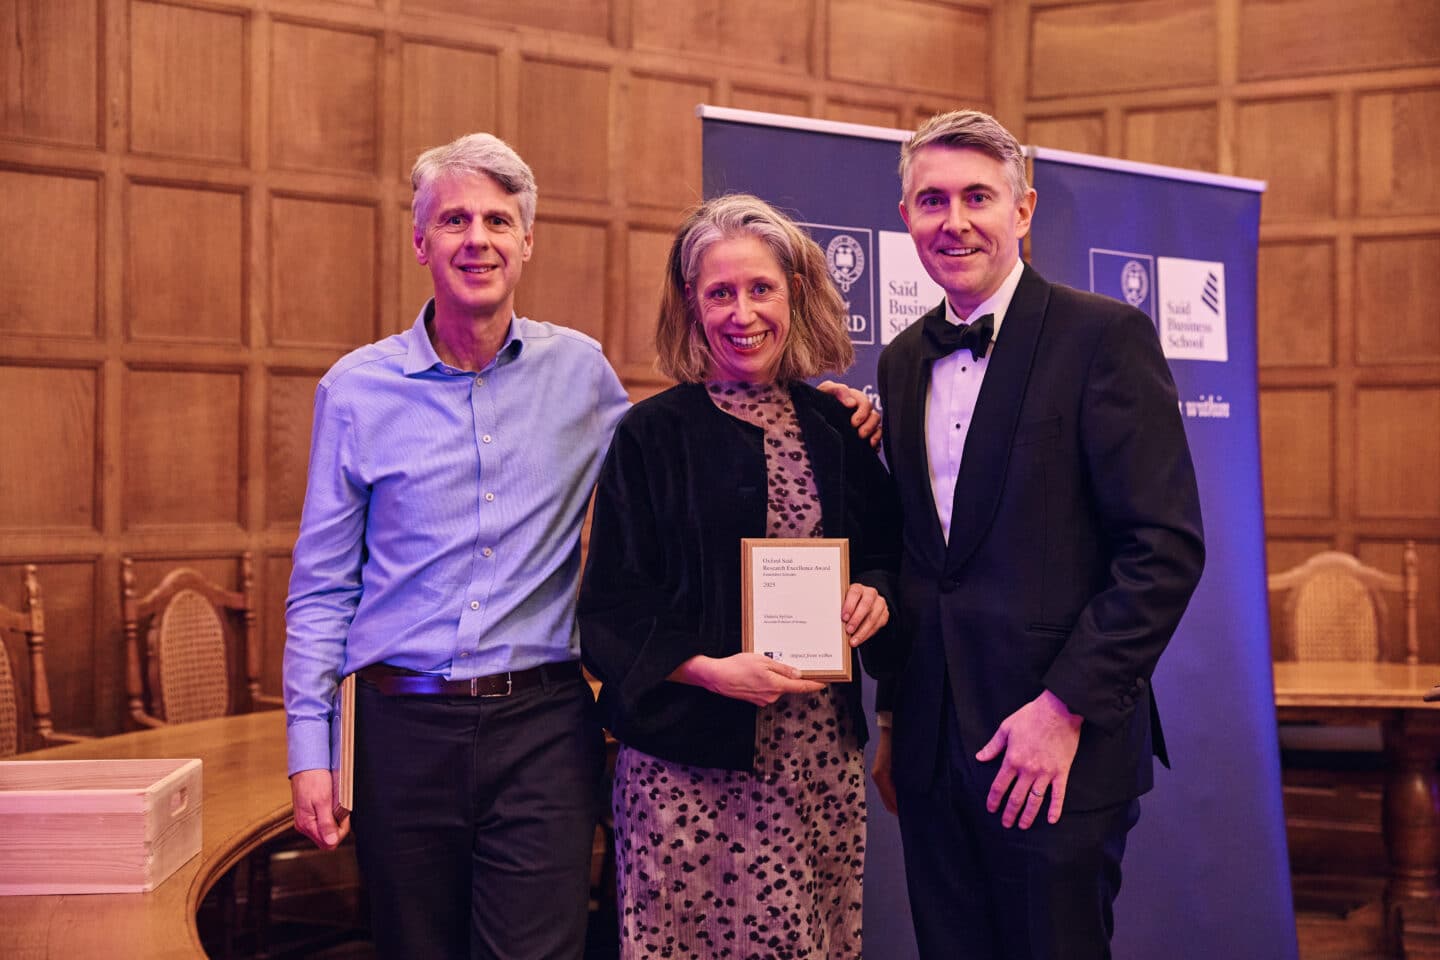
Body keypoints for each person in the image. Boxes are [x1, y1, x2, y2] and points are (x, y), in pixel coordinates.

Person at [283, 135, 880, 959]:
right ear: (420, 240)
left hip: (540, 727)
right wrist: (310, 754)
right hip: (400, 726)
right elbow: (321, 591)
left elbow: (698, 454)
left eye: (498, 220)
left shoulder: (582, 374)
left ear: (527, 240)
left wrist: (831, 409)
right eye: (454, 220)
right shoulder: (354, 391)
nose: (477, 239)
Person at [871, 110, 1206, 960]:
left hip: (1059, 747)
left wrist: (1064, 708)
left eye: (977, 197)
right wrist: (894, 720)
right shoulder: (902, 359)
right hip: (933, 751)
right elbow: (918, 557)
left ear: (1022, 209)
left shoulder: (1105, 338)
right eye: (932, 200)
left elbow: (1162, 548)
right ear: (905, 216)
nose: (954, 221)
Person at [577, 193, 903, 960]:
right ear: (692, 304)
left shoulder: (837, 427)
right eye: (720, 292)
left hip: (817, 764)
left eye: (761, 288)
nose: (742, 313)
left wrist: (877, 595)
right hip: (686, 772)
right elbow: (611, 607)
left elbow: (890, 555)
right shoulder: (651, 436)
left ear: (795, 292)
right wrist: (710, 671)